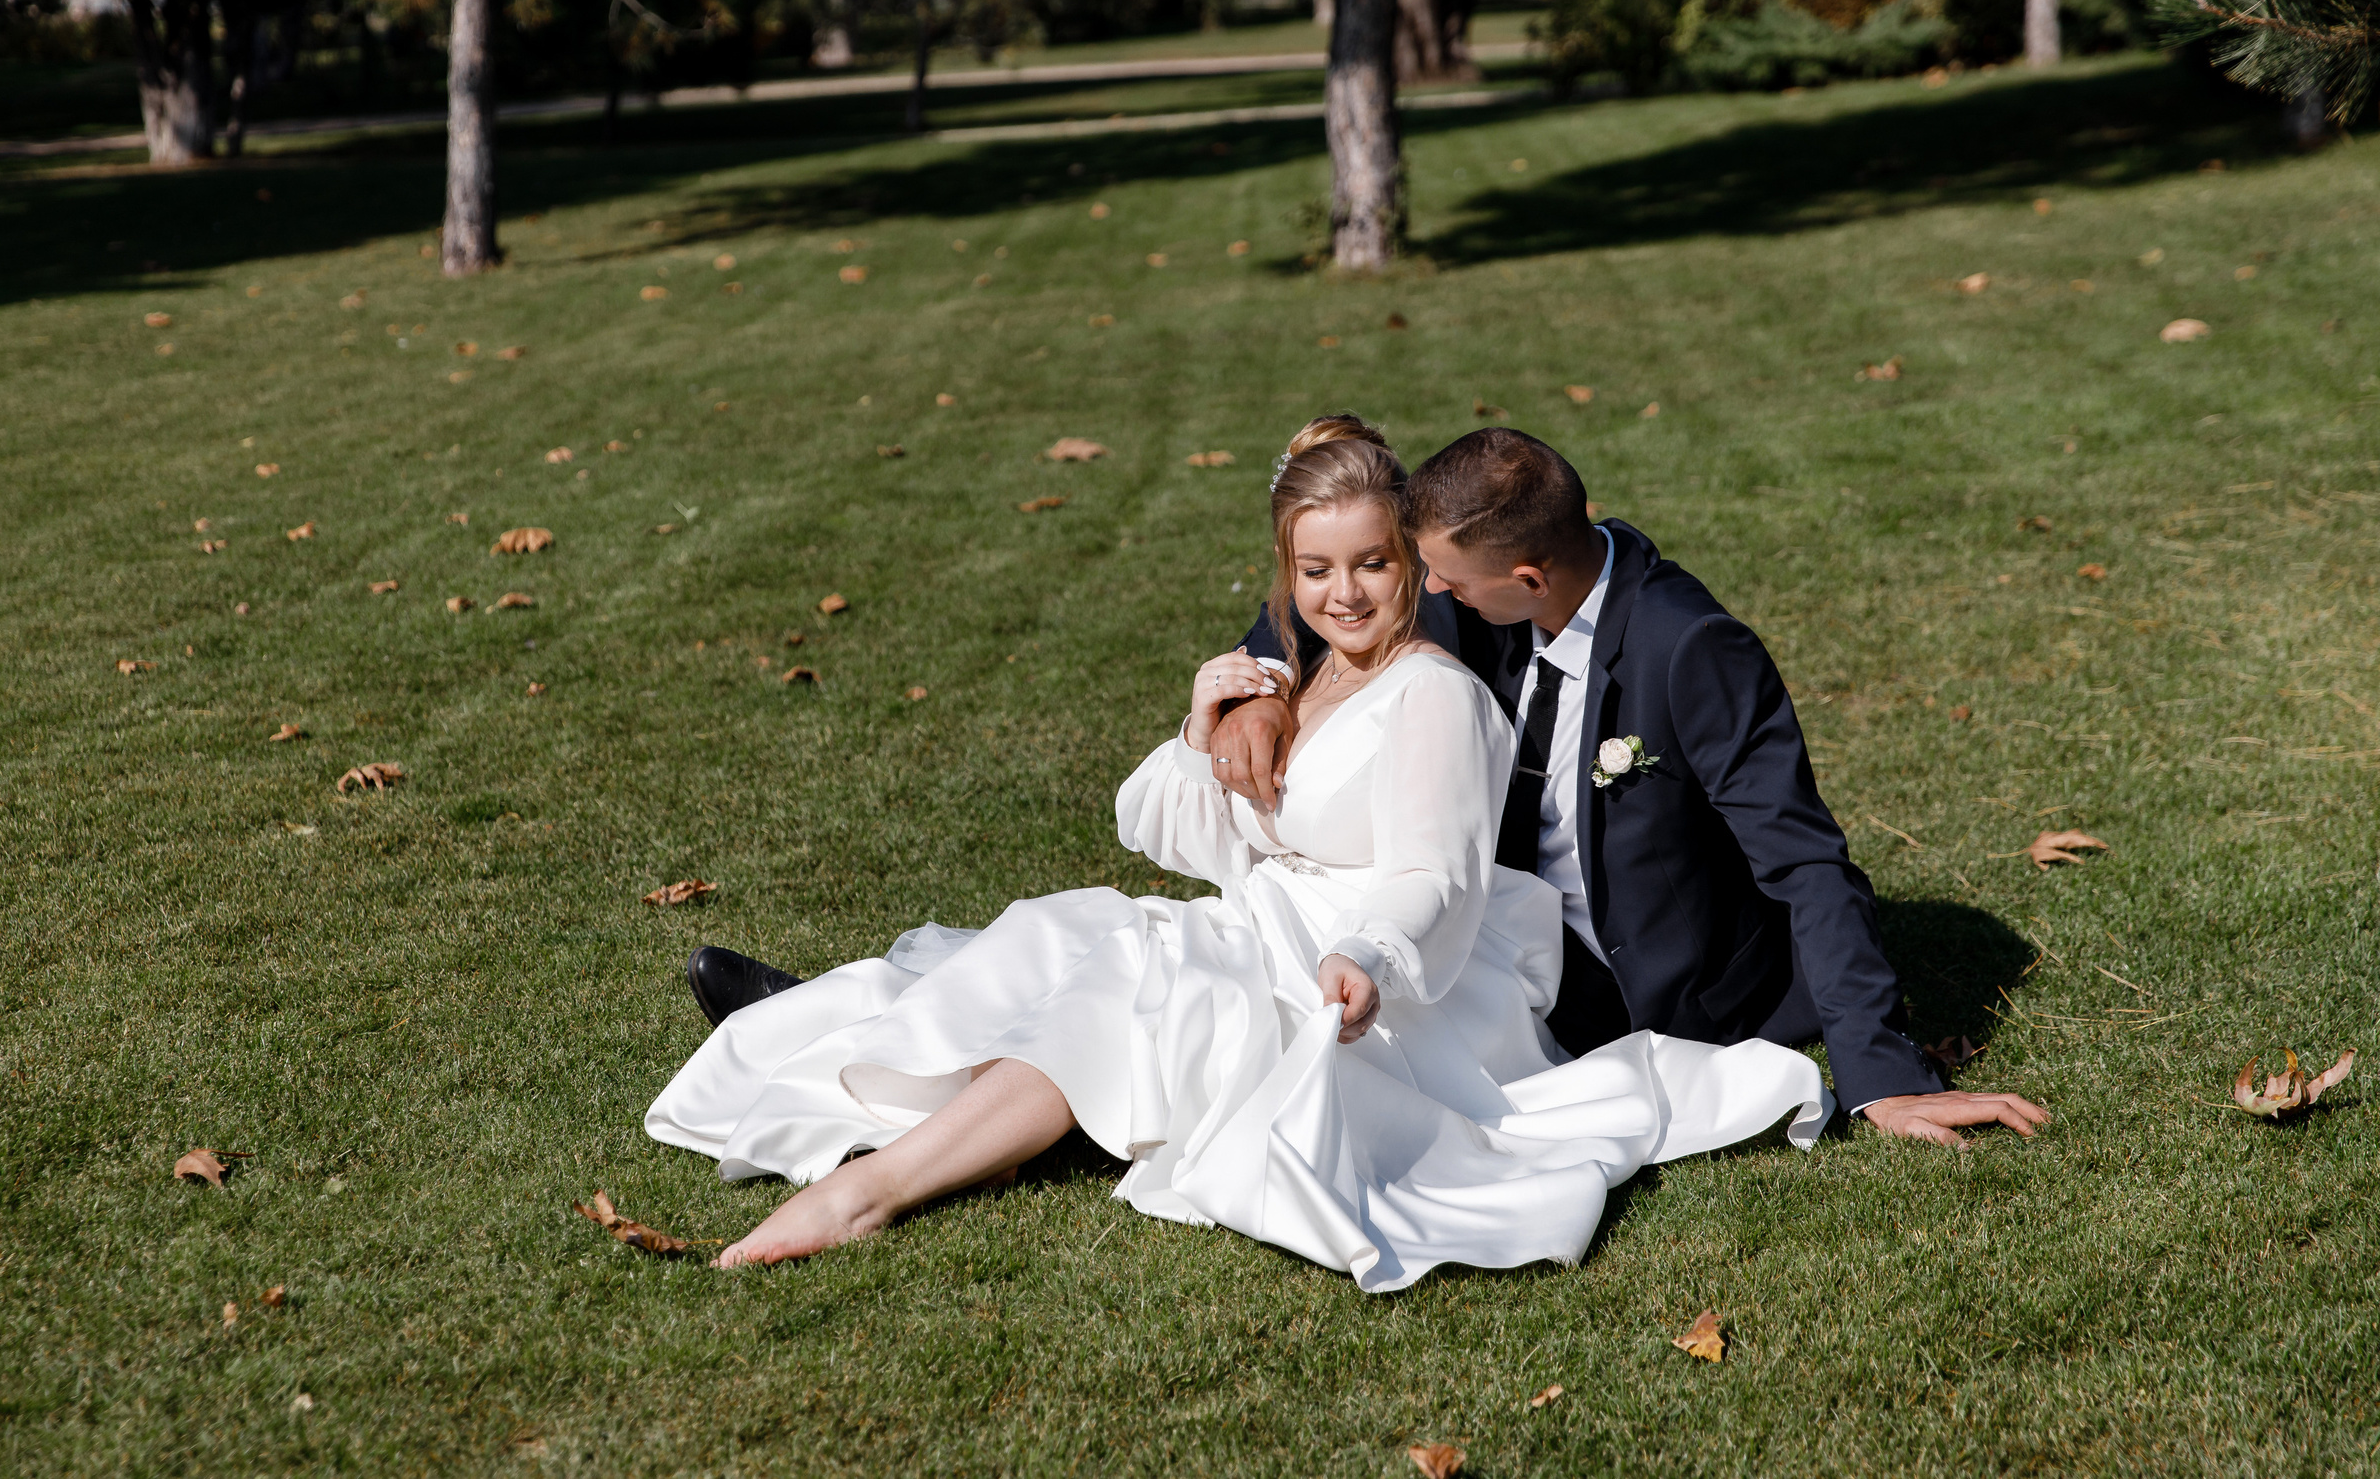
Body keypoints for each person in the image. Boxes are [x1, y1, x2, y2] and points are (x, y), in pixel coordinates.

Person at [647, 416, 1832, 1290]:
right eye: (1315, 571)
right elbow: (1163, 826)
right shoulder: (1302, 678)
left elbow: (1437, 873)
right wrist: (1202, 724)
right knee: (1066, 935)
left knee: (1136, 980)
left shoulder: (1434, 697)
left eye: (1373, 564)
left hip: (1389, 978)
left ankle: (870, 1188)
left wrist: (1372, 954)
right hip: (1270, 916)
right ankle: (898, 1077)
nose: (1345, 594)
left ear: (1416, 565)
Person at [1207, 427, 2046, 1145]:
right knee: (1267, 987)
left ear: (1527, 580)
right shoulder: (1485, 575)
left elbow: (1807, 862)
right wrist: (1261, 689)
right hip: (1497, 937)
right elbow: (1337, 587)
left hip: (1643, 987)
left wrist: (1882, 1074)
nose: (1429, 593)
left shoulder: (1690, 649)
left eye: (1447, 582)